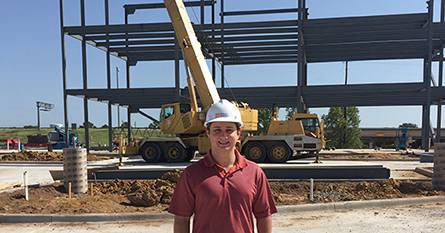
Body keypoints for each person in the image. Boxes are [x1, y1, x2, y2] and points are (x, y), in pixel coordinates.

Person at [168, 99, 277, 233]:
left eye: (229, 130)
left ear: (238, 133)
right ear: (208, 132)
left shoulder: (254, 172)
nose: (223, 136)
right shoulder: (191, 174)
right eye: (217, 130)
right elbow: (181, 219)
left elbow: (264, 216)